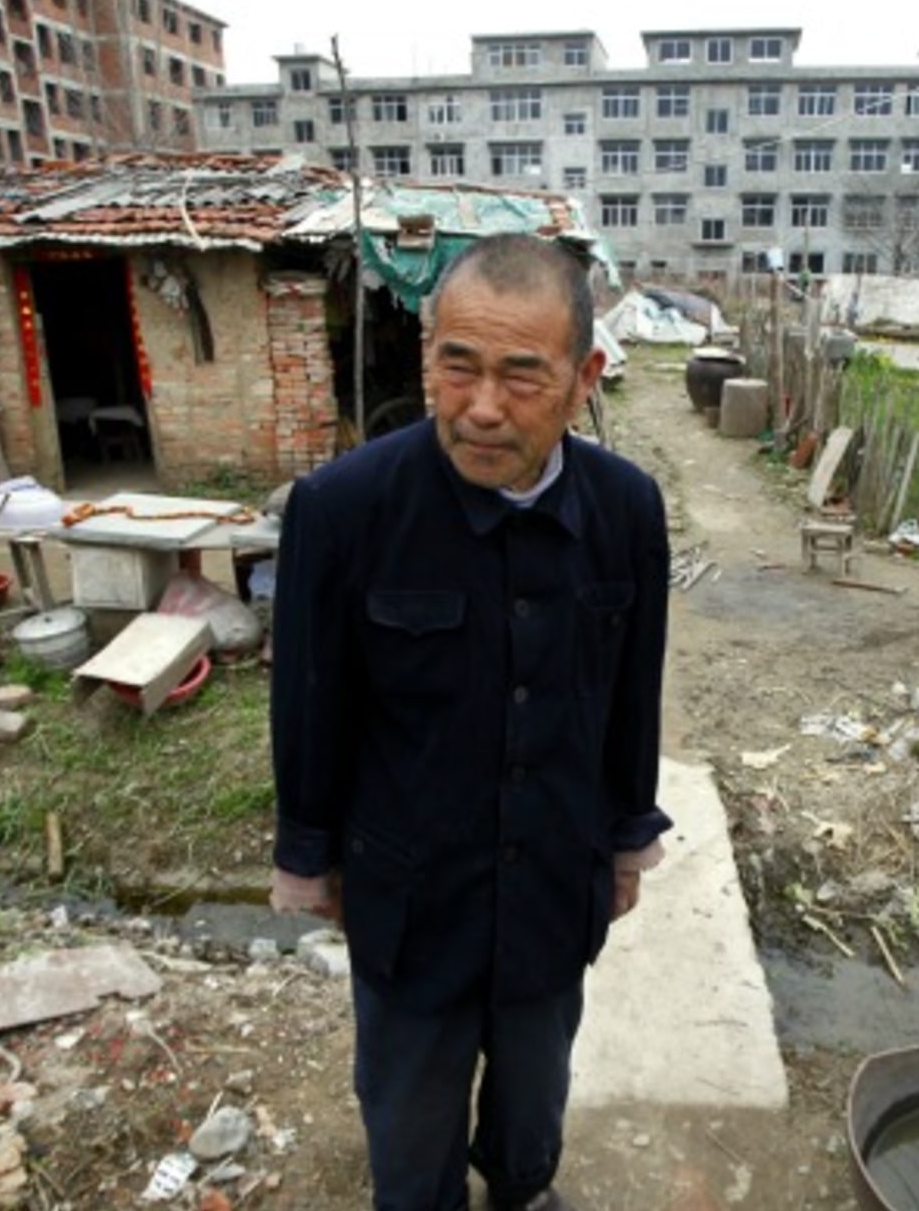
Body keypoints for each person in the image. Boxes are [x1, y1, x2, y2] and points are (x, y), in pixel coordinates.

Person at [268, 233, 672, 1211]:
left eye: (521, 377)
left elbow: (632, 691)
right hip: (410, 898)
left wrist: (625, 842)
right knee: (409, 1128)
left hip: (552, 883)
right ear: (428, 358)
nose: (483, 407)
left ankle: (521, 1189)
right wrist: (309, 854)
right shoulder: (344, 508)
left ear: (585, 377)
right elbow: (311, 699)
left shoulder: (625, 509)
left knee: (535, 1106)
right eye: (460, 365)